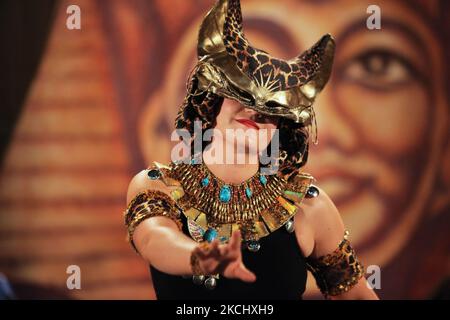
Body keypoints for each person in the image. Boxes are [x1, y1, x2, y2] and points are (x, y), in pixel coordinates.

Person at [124, 0, 378, 300]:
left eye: (272, 109)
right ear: (213, 100)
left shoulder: (309, 208)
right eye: (241, 94)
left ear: (282, 128)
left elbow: (358, 295)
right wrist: (203, 258)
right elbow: (155, 239)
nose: (255, 112)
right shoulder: (158, 185)